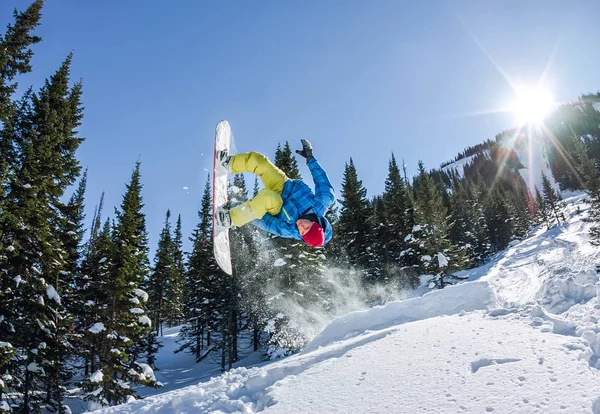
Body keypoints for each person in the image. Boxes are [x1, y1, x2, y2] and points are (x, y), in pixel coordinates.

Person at [215, 139, 334, 247]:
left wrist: (235, 210)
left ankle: (228, 220)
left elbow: (262, 220)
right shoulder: (322, 202)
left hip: (276, 205)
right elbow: (321, 180)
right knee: (260, 162)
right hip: (284, 184)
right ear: (315, 222)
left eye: (302, 232)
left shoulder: (289, 229)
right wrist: (310, 158)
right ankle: (229, 164)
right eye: (307, 227)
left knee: (268, 197)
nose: (301, 226)